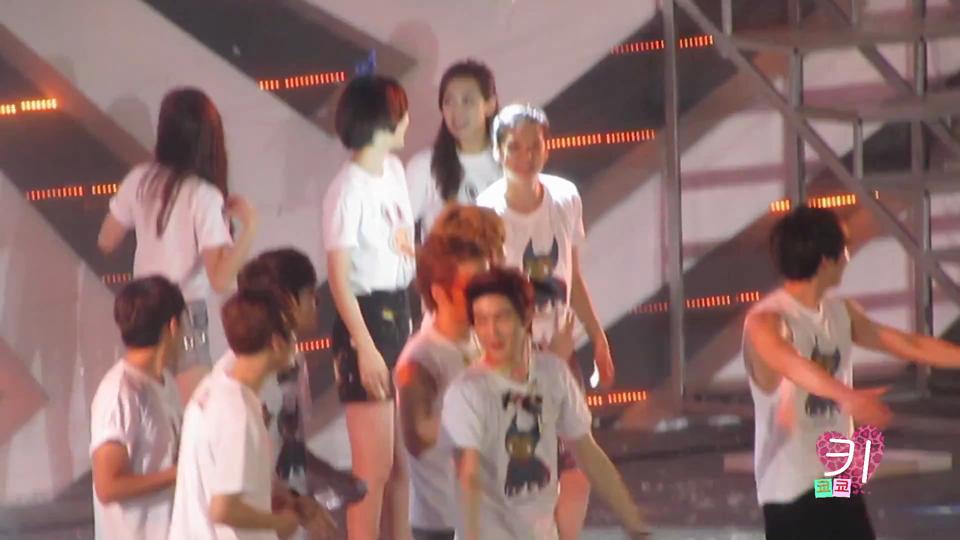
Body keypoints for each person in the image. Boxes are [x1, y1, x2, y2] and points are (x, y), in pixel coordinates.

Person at [743, 205, 960, 539]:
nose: (848, 257)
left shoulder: (840, 312)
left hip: (836, 480)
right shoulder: (766, 320)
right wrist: (847, 397)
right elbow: (791, 364)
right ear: (826, 261)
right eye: (844, 249)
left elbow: (907, 344)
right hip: (791, 491)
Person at [475, 103, 614, 537]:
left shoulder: (564, 198)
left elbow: (572, 274)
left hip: (561, 353)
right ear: (498, 152)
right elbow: (484, 298)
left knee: (577, 469)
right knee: (524, 475)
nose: (526, 156)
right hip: (514, 361)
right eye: (514, 147)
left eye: (534, 145)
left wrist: (597, 336)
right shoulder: (488, 212)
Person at [442, 267, 651, 540]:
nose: (491, 331)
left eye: (501, 317)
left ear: (526, 316)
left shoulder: (553, 374)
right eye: (481, 320)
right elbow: (468, 479)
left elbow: (588, 454)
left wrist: (635, 525)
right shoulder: (466, 392)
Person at [97, 87, 259, 402]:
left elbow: (106, 239)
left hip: (142, 313)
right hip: (182, 316)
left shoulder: (140, 180)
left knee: (147, 411)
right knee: (198, 413)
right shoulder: (203, 195)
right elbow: (221, 278)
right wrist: (250, 227)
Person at [322, 74, 414, 540]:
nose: (408, 122)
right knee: (371, 472)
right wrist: (365, 347)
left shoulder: (394, 171)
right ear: (382, 121)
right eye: (402, 113)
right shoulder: (346, 190)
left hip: (401, 313)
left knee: (401, 465)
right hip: (366, 321)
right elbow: (339, 279)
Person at [168, 290, 322, 539]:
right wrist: (278, 523)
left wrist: (288, 500)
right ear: (276, 342)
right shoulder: (236, 411)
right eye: (291, 333)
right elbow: (223, 509)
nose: (295, 342)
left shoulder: (214, 388)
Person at [395, 230, 490, 540]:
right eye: (471, 287)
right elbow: (415, 436)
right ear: (439, 293)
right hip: (443, 524)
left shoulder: (481, 341)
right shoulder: (422, 356)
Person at [90, 276, 186, 540]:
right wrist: (179, 473)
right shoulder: (119, 391)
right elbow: (107, 486)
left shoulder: (166, 383)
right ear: (173, 326)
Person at [406, 60, 500, 237]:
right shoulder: (425, 165)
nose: (457, 111)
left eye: (467, 101)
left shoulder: (508, 164)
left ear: (490, 105)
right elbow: (396, 231)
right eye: (448, 101)